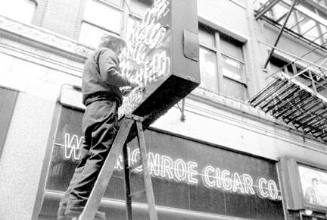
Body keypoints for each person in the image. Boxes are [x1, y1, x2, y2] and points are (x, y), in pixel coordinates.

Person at [57, 34, 138, 220]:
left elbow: (104, 80)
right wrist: (129, 82)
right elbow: (110, 73)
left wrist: (120, 90)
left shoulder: (93, 58)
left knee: (85, 161)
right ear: (114, 45)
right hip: (104, 107)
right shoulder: (107, 52)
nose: (120, 53)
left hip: (92, 111)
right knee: (99, 155)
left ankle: (67, 207)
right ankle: (77, 208)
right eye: (120, 49)